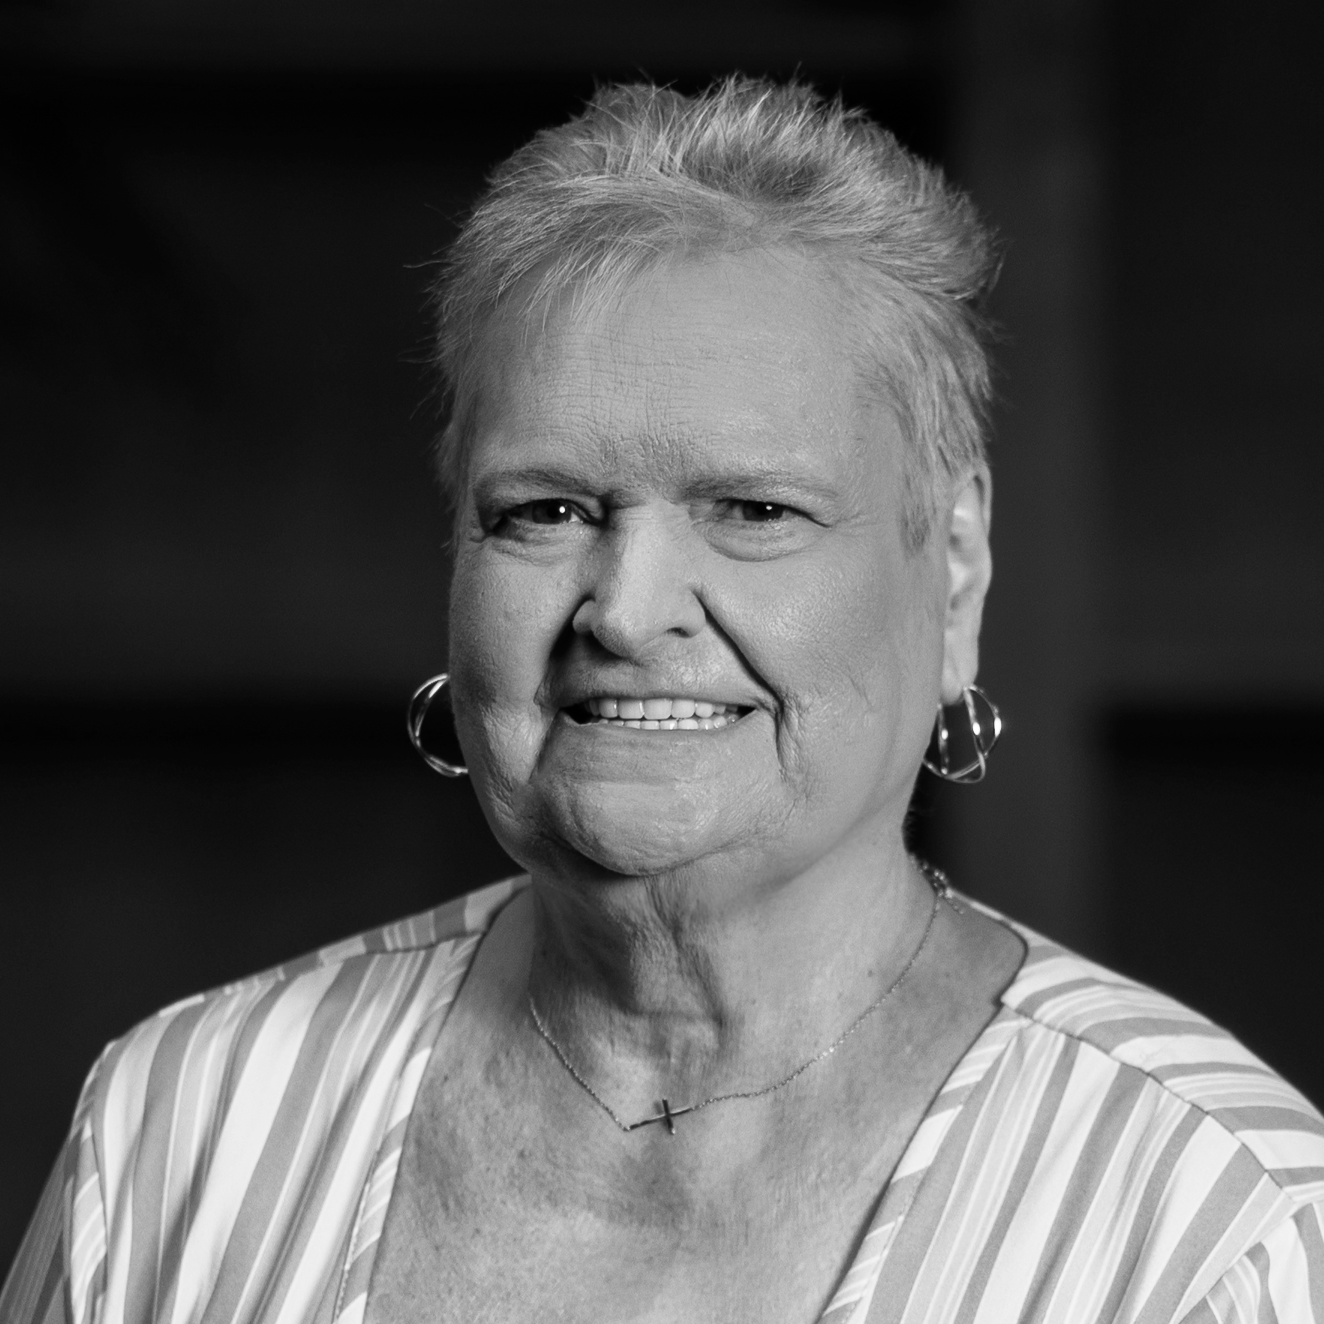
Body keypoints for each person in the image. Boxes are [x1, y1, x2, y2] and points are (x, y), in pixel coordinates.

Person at [3, 76, 1321, 1324]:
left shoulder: (1215, 1215)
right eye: (546, 511)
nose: (626, 610)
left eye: (753, 509)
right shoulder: (185, 1124)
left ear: (956, 560)